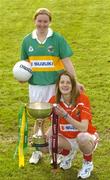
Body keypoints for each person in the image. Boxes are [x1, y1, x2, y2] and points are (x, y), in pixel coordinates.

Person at [20, 8, 83, 164]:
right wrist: (21, 78)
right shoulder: (27, 41)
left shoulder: (57, 39)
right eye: (39, 21)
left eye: (45, 21)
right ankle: (37, 150)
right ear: (35, 21)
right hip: (35, 87)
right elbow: (24, 65)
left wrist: (75, 81)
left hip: (55, 86)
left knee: (58, 117)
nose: (42, 24)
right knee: (39, 118)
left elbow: (67, 61)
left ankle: (59, 150)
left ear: (49, 22)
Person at [46, 71, 99, 179]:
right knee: (49, 141)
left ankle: (88, 163)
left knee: (82, 137)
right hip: (68, 139)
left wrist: (66, 116)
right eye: (62, 82)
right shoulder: (53, 101)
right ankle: (67, 154)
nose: (65, 85)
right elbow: (53, 125)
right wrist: (44, 137)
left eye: (68, 82)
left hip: (86, 137)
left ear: (73, 85)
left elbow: (84, 127)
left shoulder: (82, 99)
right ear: (58, 85)